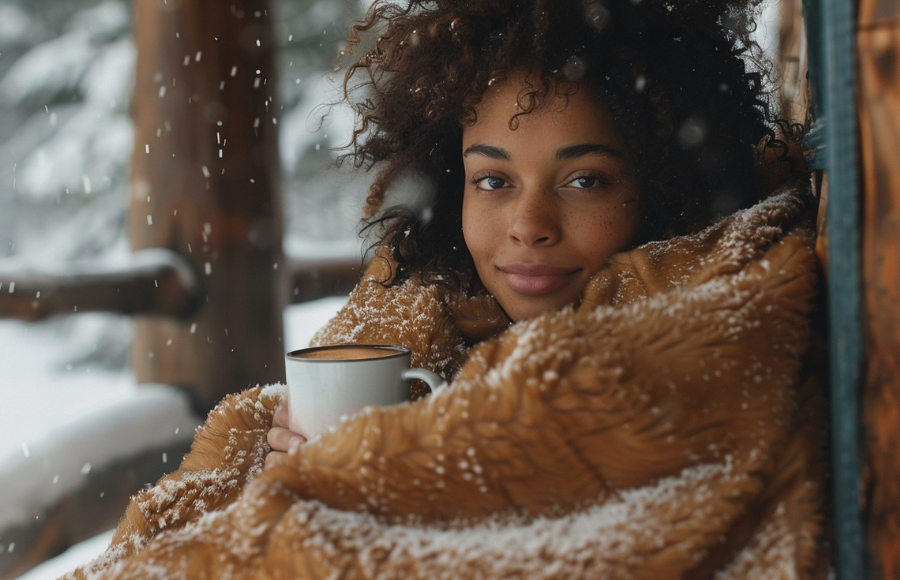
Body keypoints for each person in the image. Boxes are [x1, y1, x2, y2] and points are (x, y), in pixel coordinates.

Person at [68, 0, 830, 578]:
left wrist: (345, 480)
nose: (527, 224)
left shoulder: (715, 318)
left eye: (584, 179)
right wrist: (287, 476)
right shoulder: (421, 318)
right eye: (492, 179)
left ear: (668, 187)